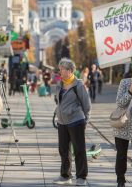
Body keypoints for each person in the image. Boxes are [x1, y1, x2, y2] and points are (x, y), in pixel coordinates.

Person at [53, 58, 91, 186]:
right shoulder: (60, 84)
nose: (60, 71)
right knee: (63, 150)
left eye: (62, 69)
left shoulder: (78, 85)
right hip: (62, 122)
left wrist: (86, 120)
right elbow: (58, 100)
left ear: (69, 70)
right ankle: (65, 176)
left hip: (76, 121)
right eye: (60, 69)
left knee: (79, 149)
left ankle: (81, 176)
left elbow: (87, 104)